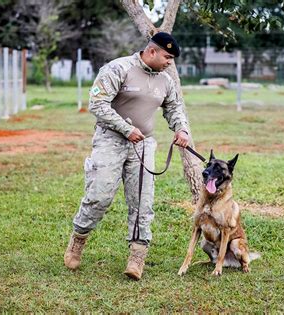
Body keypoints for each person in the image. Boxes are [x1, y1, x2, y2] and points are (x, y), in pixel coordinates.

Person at [64, 32, 190, 280]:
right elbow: (97, 104)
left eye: (172, 59)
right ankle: (78, 238)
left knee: (142, 202)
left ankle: (137, 256)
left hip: (143, 145)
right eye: (166, 56)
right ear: (151, 51)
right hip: (110, 139)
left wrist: (181, 128)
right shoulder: (118, 68)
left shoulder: (165, 80)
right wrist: (126, 128)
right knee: (99, 196)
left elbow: (174, 107)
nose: (169, 62)